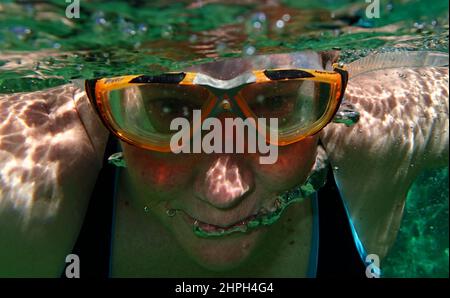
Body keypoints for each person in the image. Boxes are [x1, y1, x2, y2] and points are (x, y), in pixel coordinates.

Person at [0, 50, 447, 277]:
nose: (225, 193)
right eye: (171, 109)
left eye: (276, 102)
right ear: (112, 108)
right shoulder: (29, 178)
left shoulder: (380, 135)